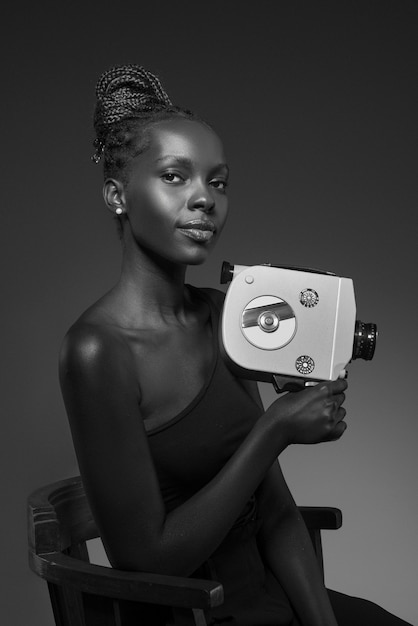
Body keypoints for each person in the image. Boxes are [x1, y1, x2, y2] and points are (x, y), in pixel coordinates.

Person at [59, 64, 412, 626]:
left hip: (274, 601)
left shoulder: (227, 315)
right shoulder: (98, 351)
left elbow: (276, 514)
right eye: (176, 176)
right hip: (193, 614)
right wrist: (273, 431)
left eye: (218, 182)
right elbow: (142, 558)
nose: (205, 199)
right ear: (117, 194)